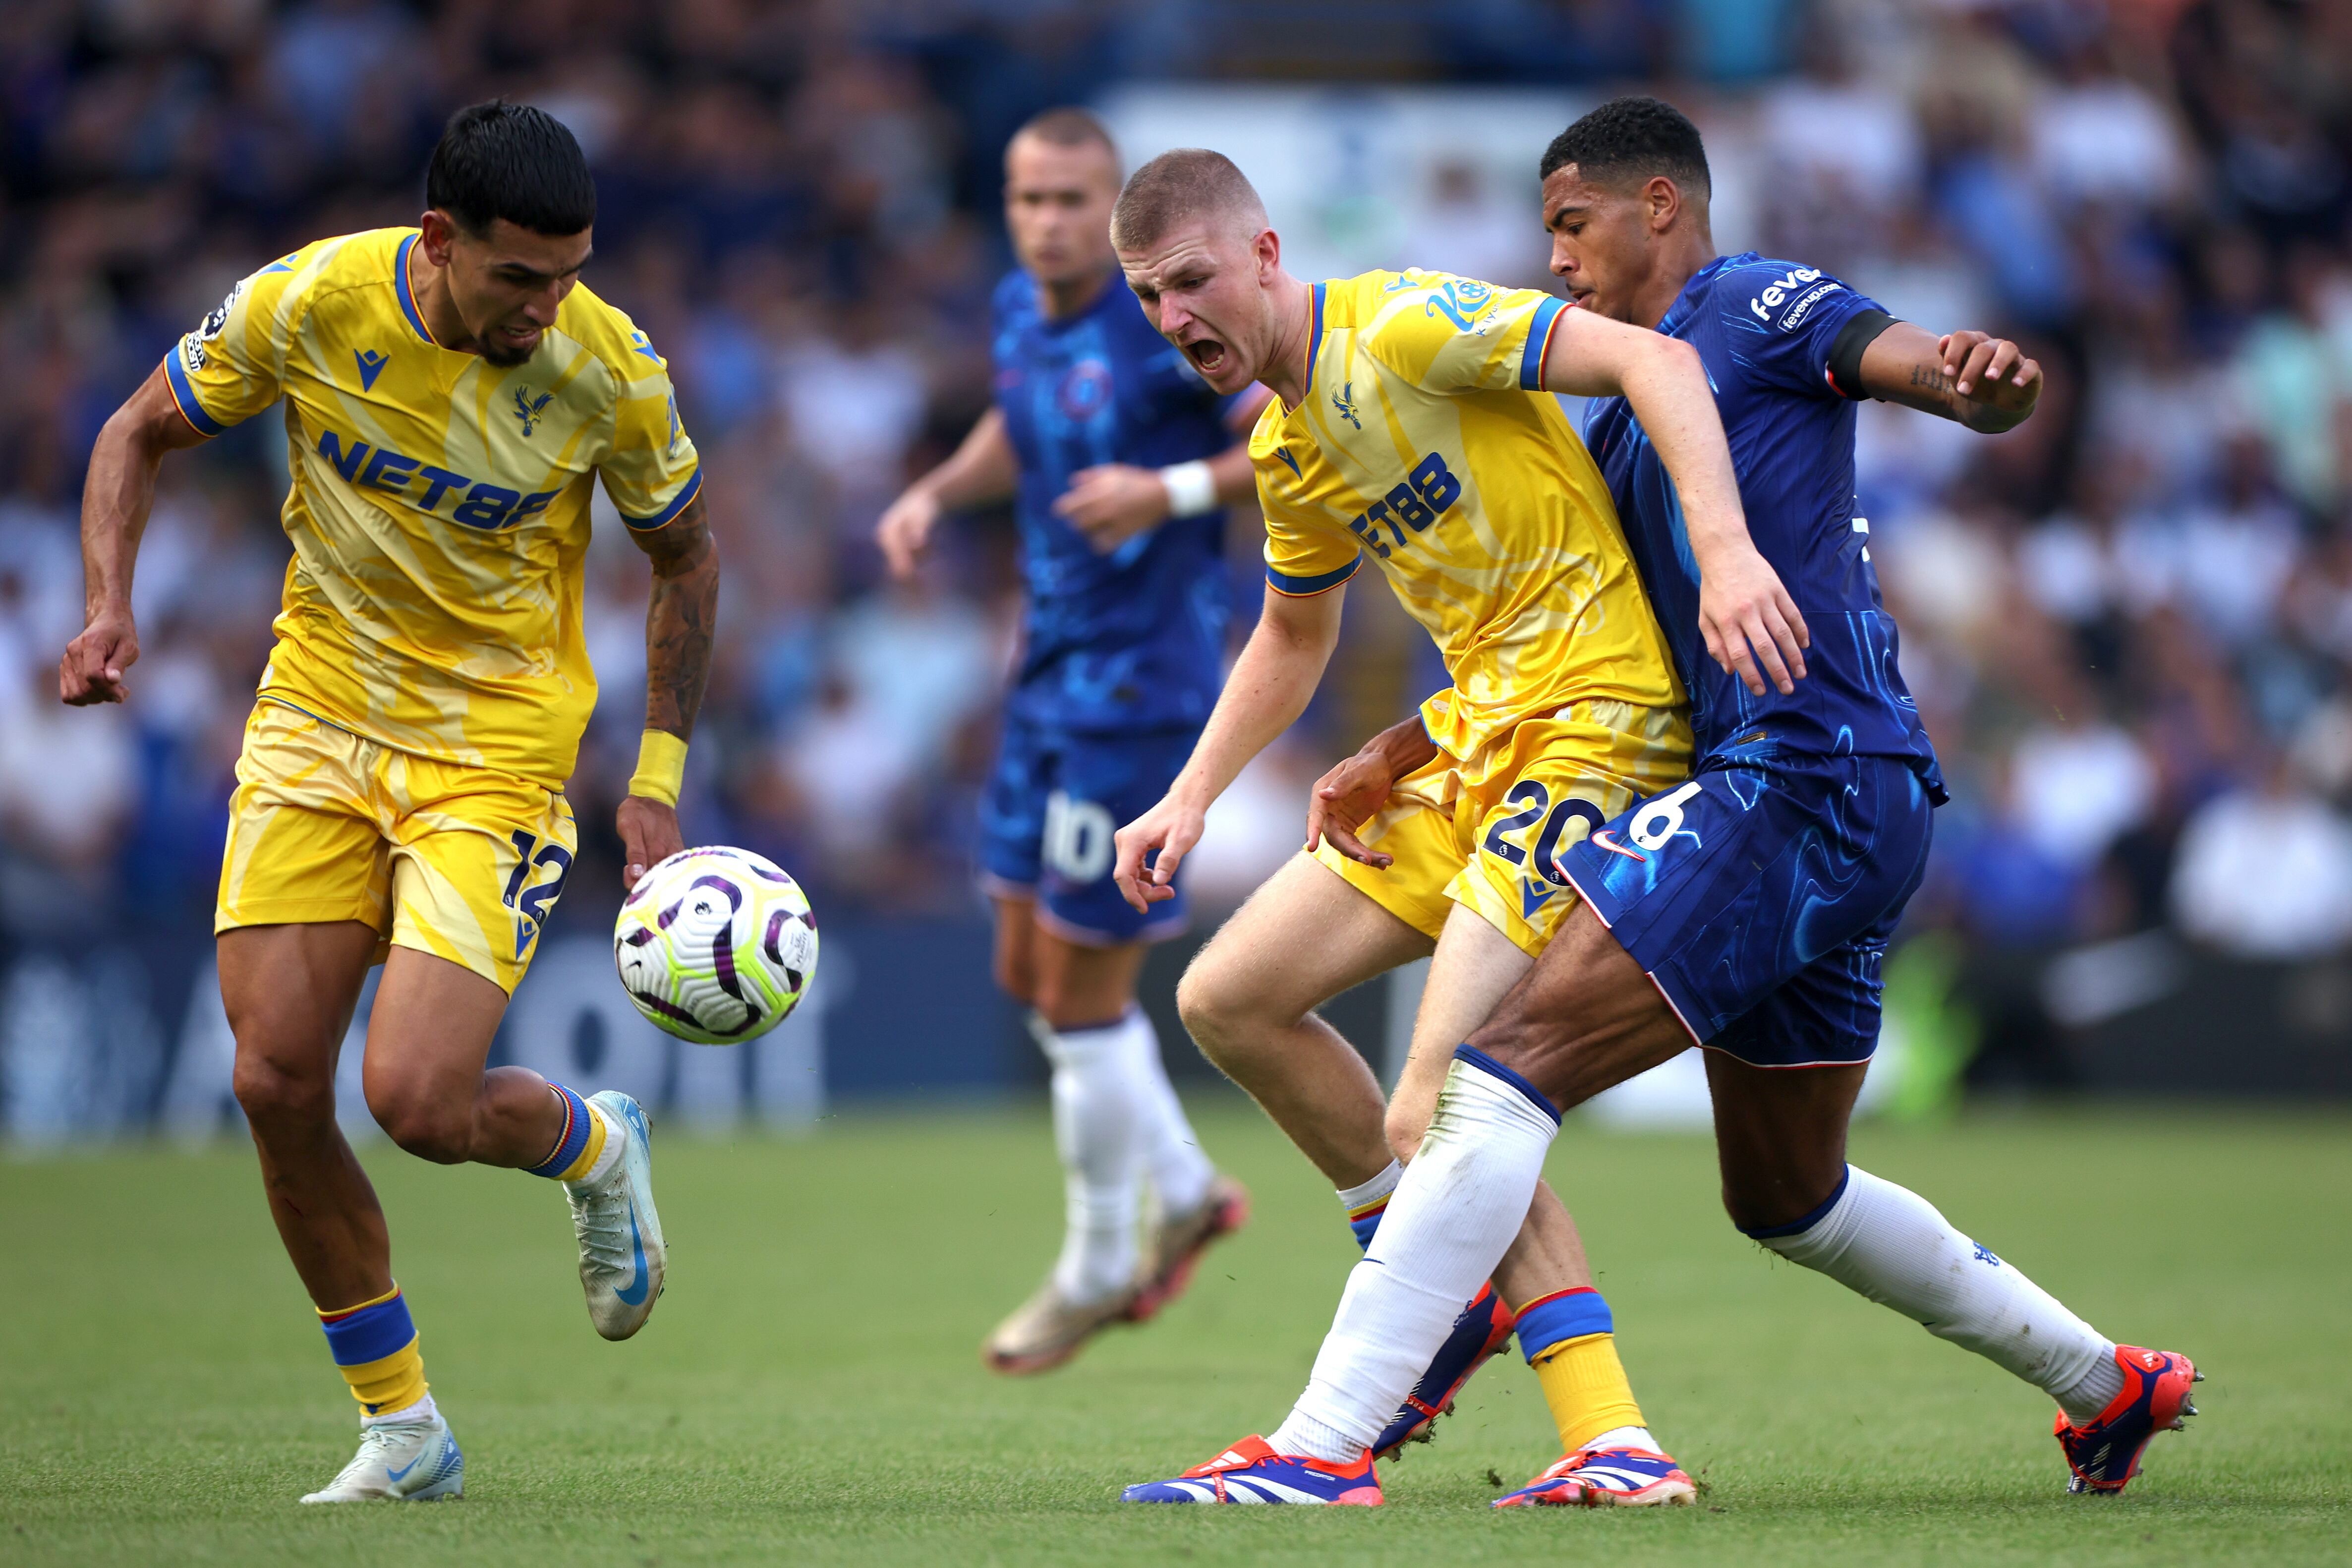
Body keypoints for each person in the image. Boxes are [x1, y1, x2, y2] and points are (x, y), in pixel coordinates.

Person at [1130, 97, 2197, 1510]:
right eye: (1145, 299)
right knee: (1783, 1194)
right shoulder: (1610, 438)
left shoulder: (1741, 306)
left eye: (1569, 225)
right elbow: (1555, 607)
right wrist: (1390, 742)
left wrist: (1967, 384)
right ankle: (2108, 1384)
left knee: (1482, 1080)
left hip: (1793, 772)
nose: (1552, 259)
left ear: (1657, 206)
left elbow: (1894, 358)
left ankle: (1345, 1436)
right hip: (1781, 788)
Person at [1102, 145, 1801, 1506]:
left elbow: (1658, 369)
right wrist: (1189, 797)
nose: (1174, 316)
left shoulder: (1408, 322)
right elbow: (1292, 635)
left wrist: (1725, 558)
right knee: (1228, 997)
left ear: (1261, 255)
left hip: (1595, 723)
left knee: (1444, 1100)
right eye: (1144, 298)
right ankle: (1441, 1285)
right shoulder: (1286, 440)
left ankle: (1603, 1435)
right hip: (1475, 741)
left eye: (1190, 280)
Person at [57, 103, 718, 1503]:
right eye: (521, 278)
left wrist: (656, 776)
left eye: (572, 273)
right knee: (272, 1081)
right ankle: (402, 1422)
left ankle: (592, 1146)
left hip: (495, 753)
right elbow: (135, 432)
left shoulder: (611, 373)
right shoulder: (311, 302)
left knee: (415, 1096)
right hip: (314, 724)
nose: (551, 306)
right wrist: (108, 609)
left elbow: (688, 559)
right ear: (439, 243)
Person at [874, 110, 1258, 1375]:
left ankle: (1100, 1259)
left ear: (1113, 210)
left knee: (1084, 993)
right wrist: (938, 488)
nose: (1046, 222)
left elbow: (1290, 429)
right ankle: (1190, 1184)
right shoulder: (1018, 313)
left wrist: (1174, 490)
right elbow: (1020, 425)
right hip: (1043, 683)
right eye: (1027, 197)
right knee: (1026, 976)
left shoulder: (1163, 329)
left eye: (1070, 201)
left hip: (1139, 694)